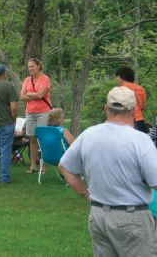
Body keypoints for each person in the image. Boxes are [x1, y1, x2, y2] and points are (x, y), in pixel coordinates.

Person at [59, 86, 157, 256]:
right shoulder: (140, 140)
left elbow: (64, 167)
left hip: (98, 215)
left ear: (106, 108)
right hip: (132, 217)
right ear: (133, 110)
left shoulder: (89, 134)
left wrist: (85, 193)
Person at [21, 58, 52, 174]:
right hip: (30, 112)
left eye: (32, 66)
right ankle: (33, 165)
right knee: (32, 138)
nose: (30, 69)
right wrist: (32, 95)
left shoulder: (45, 79)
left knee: (41, 139)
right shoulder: (27, 80)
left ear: (38, 66)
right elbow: (21, 96)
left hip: (43, 112)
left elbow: (41, 95)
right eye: (29, 67)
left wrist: (29, 94)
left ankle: (43, 166)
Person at [116, 66, 149, 134]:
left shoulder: (120, 89)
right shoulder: (141, 88)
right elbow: (144, 107)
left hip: (126, 121)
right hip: (139, 121)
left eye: (117, 77)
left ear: (120, 77)